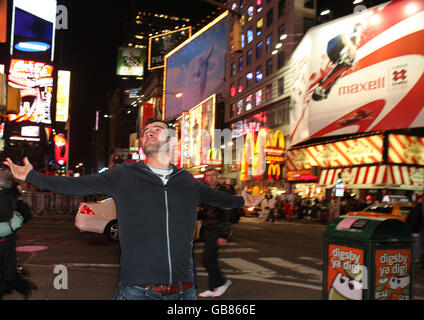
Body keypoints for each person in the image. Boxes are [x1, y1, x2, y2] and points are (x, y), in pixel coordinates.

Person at [3, 119, 263, 300]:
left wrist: (244, 201)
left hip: (184, 290)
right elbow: (75, 184)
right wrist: (33, 177)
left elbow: (221, 199)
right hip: (138, 290)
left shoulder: (186, 181)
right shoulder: (126, 174)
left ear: (172, 140)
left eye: (157, 129)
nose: (149, 132)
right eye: (146, 130)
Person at [197, 167, 234, 298]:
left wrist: (224, 234)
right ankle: (213, 288)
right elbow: (204, 212)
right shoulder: (205, 192)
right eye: (208, 175)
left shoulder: (224, 192)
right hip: (208, 229)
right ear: (205, 178)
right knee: (210, 259)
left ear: (217, 176)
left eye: (213, 175)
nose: (210, 177)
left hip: (218, 230)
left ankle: (223, 282)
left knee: (207, 258)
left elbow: (228, 214)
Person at [0, 169, 35, 300]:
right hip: (9, 236)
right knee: (8, 267)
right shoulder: (12, 193)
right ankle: (21, 286)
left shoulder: (6, 195)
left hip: (5, 236)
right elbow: (25, 214)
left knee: (7, 269)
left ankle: (20, 286)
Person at [407, 195, 424, 266]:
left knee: (416, 246)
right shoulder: (418, 208)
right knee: (417, 246)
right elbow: (414, 221)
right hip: (417, 231)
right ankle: (416, 259)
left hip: (415, 230)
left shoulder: (416, 208)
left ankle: (416, 259)